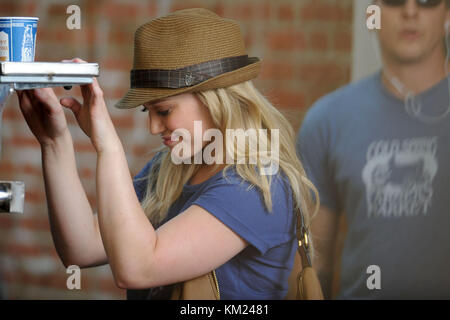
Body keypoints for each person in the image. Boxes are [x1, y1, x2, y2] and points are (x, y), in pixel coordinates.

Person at [16, 8, 318, 299]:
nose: (152, 126)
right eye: (148, 111)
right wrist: (54, 142)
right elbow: (81, 247)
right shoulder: (171, 169)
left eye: (164, 110)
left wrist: (108, 145)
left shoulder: (254, 185)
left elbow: (137, 269)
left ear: (216, 99)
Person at [297, 0, 450, 299]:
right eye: (394, 0)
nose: (410, 11)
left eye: (428, 0)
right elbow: (314, 260)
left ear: (447, 11)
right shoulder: (328, 120)